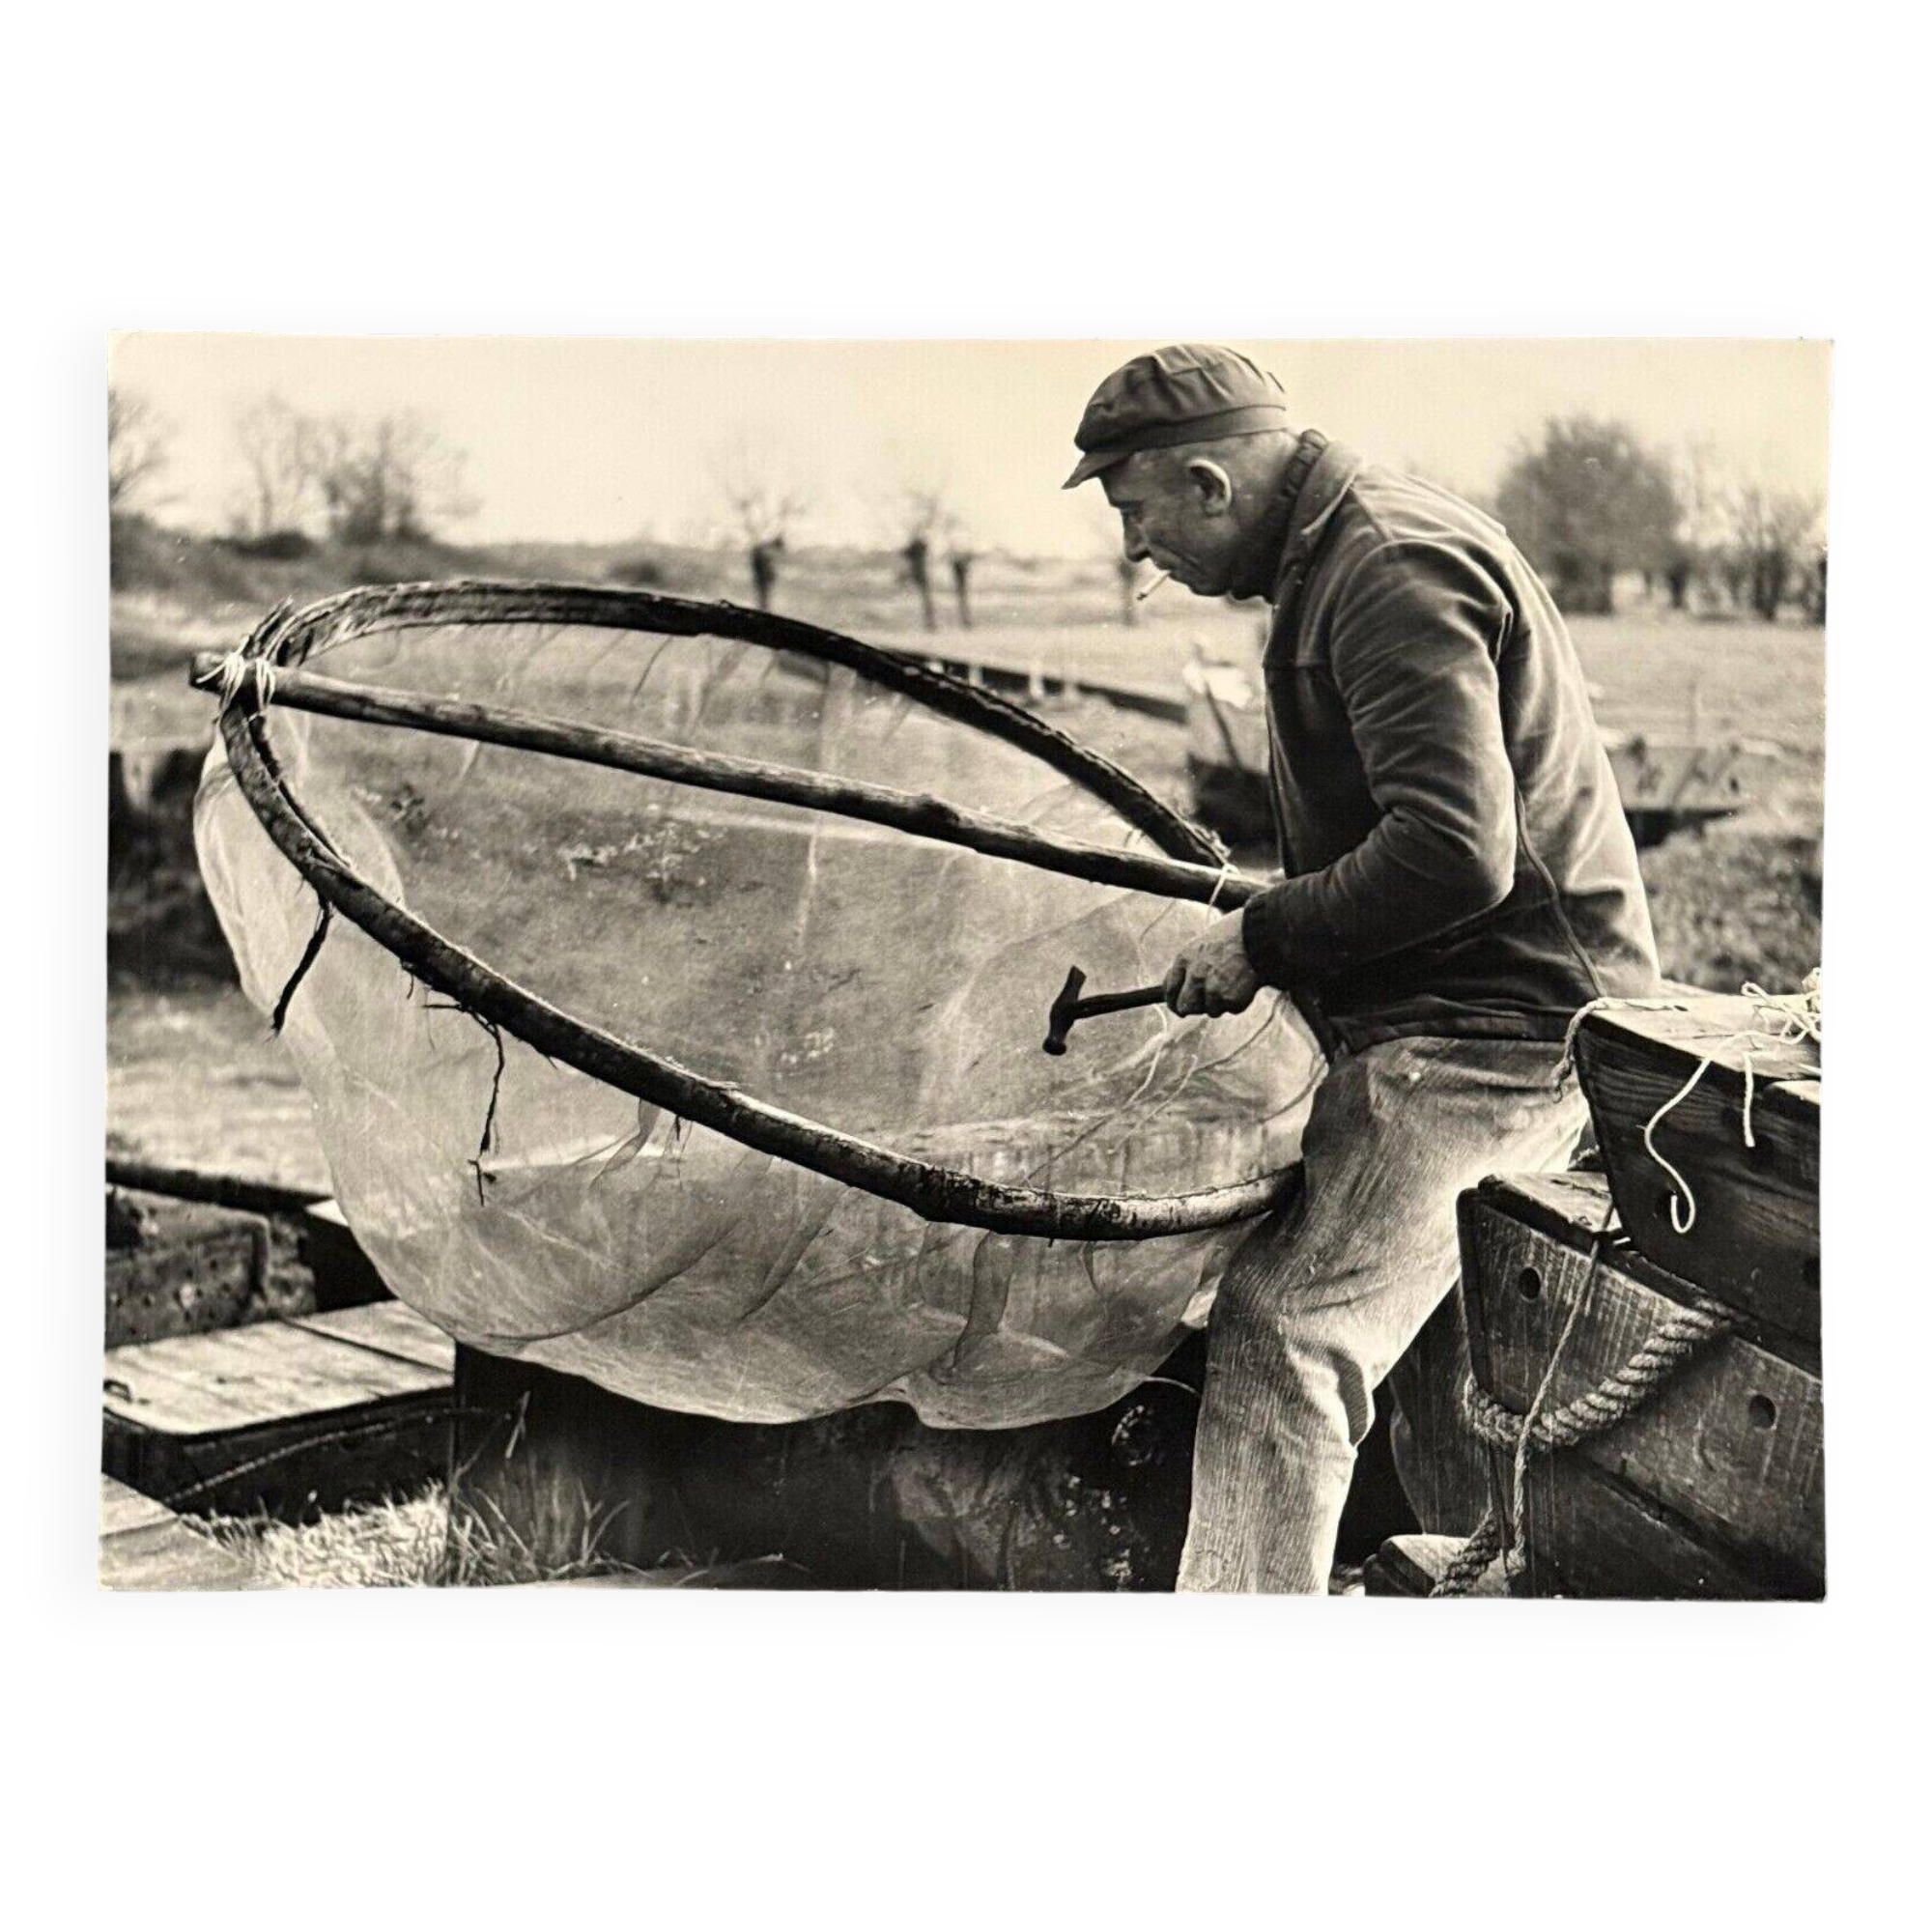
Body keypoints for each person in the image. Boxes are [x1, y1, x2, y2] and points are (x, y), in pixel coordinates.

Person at [1064, 345, 1661, 1594]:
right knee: (1438, 1346)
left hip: (1500, 1033)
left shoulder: (1381, 565)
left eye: (1135, 512)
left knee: (1290, 1330)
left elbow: (1453, 853)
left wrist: (1268, 936)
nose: (1138, 551)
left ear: (1210, 480)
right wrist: (1266, 912)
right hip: (1471, 1003)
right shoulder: (1343, 548)